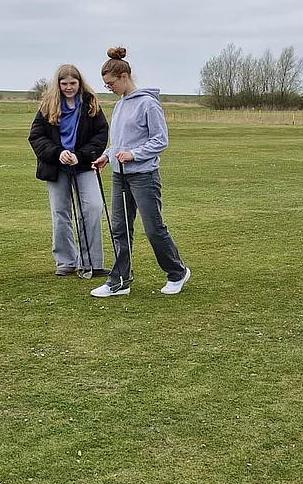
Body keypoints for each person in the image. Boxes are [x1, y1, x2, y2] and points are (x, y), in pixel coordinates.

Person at [90, 46, 189, 297]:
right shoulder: (120, 105)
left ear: (124, 77)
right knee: (120, 228)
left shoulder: (148, 104)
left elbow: (160, 140)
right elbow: (120, 142)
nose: (109, 88)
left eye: (111, 83)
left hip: (144, 176)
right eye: (106, 85)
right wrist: (107, 156)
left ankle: (177, 272)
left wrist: (134, 154)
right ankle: (120, 281)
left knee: (153, 228)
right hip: (120, 175)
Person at [28, 64, 109, 276]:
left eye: (73, 83)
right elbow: (36, 136)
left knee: (92, 208)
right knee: (60, 212)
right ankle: (65, 261)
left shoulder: (91, 104)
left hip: (83, 165)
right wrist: (58, 153)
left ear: (80, 83)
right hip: (56, 167)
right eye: (64, 84)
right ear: (58, 84)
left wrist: (80, 156)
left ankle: (91, 262)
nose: (69, 87)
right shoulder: (48, 105)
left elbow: (101, 135)